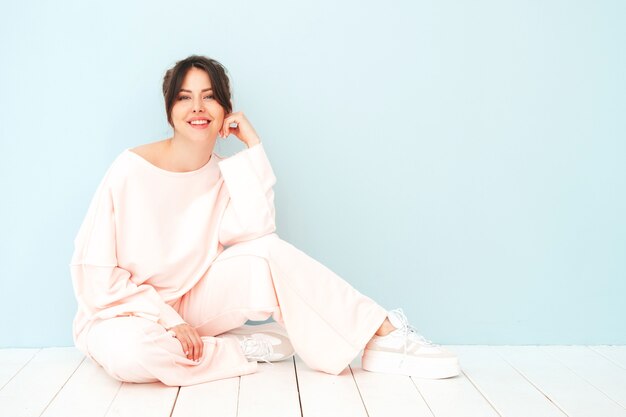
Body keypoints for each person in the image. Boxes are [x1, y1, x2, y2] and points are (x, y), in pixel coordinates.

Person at [69, 54, 461, 387]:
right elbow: (96, 277)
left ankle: (382, 332)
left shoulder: (225, 174)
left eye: (209, 98)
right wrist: (167, 320)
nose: (198, 108)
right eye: (185, 98)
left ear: (225, 108)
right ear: (170, 110)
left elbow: (258, 233)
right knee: (131, 355)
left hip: (193, 304)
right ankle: (235, 349)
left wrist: (253, 147)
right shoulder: (130, 169)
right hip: (125, 313)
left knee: (267, 253)